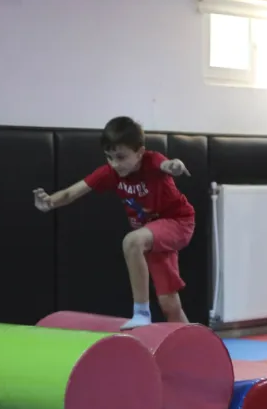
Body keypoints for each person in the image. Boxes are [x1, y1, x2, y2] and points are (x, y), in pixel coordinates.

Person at [34, 116, 194, 329]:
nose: (115, 164)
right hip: (152, 235)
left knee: (132, 242)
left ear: (140, 152)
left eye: (121, 157)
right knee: (169, 305)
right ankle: (196, 347)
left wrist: (174, 166)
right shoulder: (111, 173)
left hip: (177, 222)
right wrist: (50, 202)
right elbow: (73, 192)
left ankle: (141, 312)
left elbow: (165, 164)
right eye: (109, 157)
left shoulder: (152, 161)